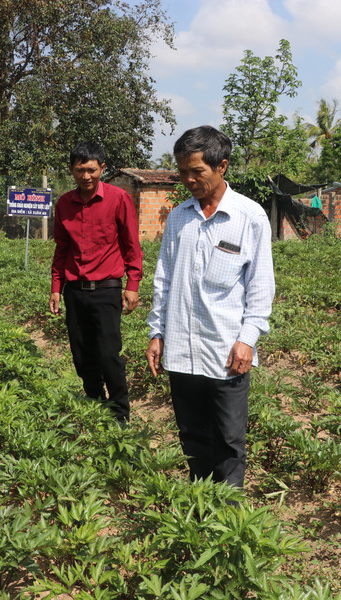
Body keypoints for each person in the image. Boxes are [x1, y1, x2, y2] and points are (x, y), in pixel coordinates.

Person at [145, 126, 275, 489]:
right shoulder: (178, 218)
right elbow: (164, 280)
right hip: (182, 350)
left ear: (222, 167)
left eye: (196, 171)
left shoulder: (249, 217)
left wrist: (247, 339)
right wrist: (157, 332)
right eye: (182, 172)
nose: (188, 179)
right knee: (192, 435)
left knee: (229, 440)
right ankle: (200, 504)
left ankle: (228, 515)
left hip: (225, 351)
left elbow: (261, 287)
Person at [49, 142, 143, 424]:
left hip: (107, 289)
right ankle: (93, 404)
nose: (86, 176)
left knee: (108, 354)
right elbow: (61, 249)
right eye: (80, 170)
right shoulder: (64, 203)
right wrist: (55, 288)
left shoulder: (118, 199)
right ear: (71, 170)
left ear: (102, 168)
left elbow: (131, 245)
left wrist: (133, 284)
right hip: (74, 291)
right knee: (81, 354)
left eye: (91, 170)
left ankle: (119, 414)